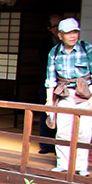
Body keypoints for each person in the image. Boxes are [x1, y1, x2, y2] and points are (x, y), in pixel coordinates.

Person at [45, 17, 92, 177]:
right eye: (68, 33)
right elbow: (50, 79)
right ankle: (62, 163)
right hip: (64, 94)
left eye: (75, 32)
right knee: (63, 131)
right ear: (60, 35)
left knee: (84, 131)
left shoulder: (87, 49)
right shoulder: (55, 52)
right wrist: (49, 101)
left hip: (85, 94)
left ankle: (81, 166)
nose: (72, 36)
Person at [37, 14, 63, 154]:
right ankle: (46, 144)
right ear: (49, 28)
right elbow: (43, 64)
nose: (59, 29)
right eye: (56, 26)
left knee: (64, 118)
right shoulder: (45, 43)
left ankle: (60, 147)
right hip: (48, 84)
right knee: (46, 115)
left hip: (65, 87)